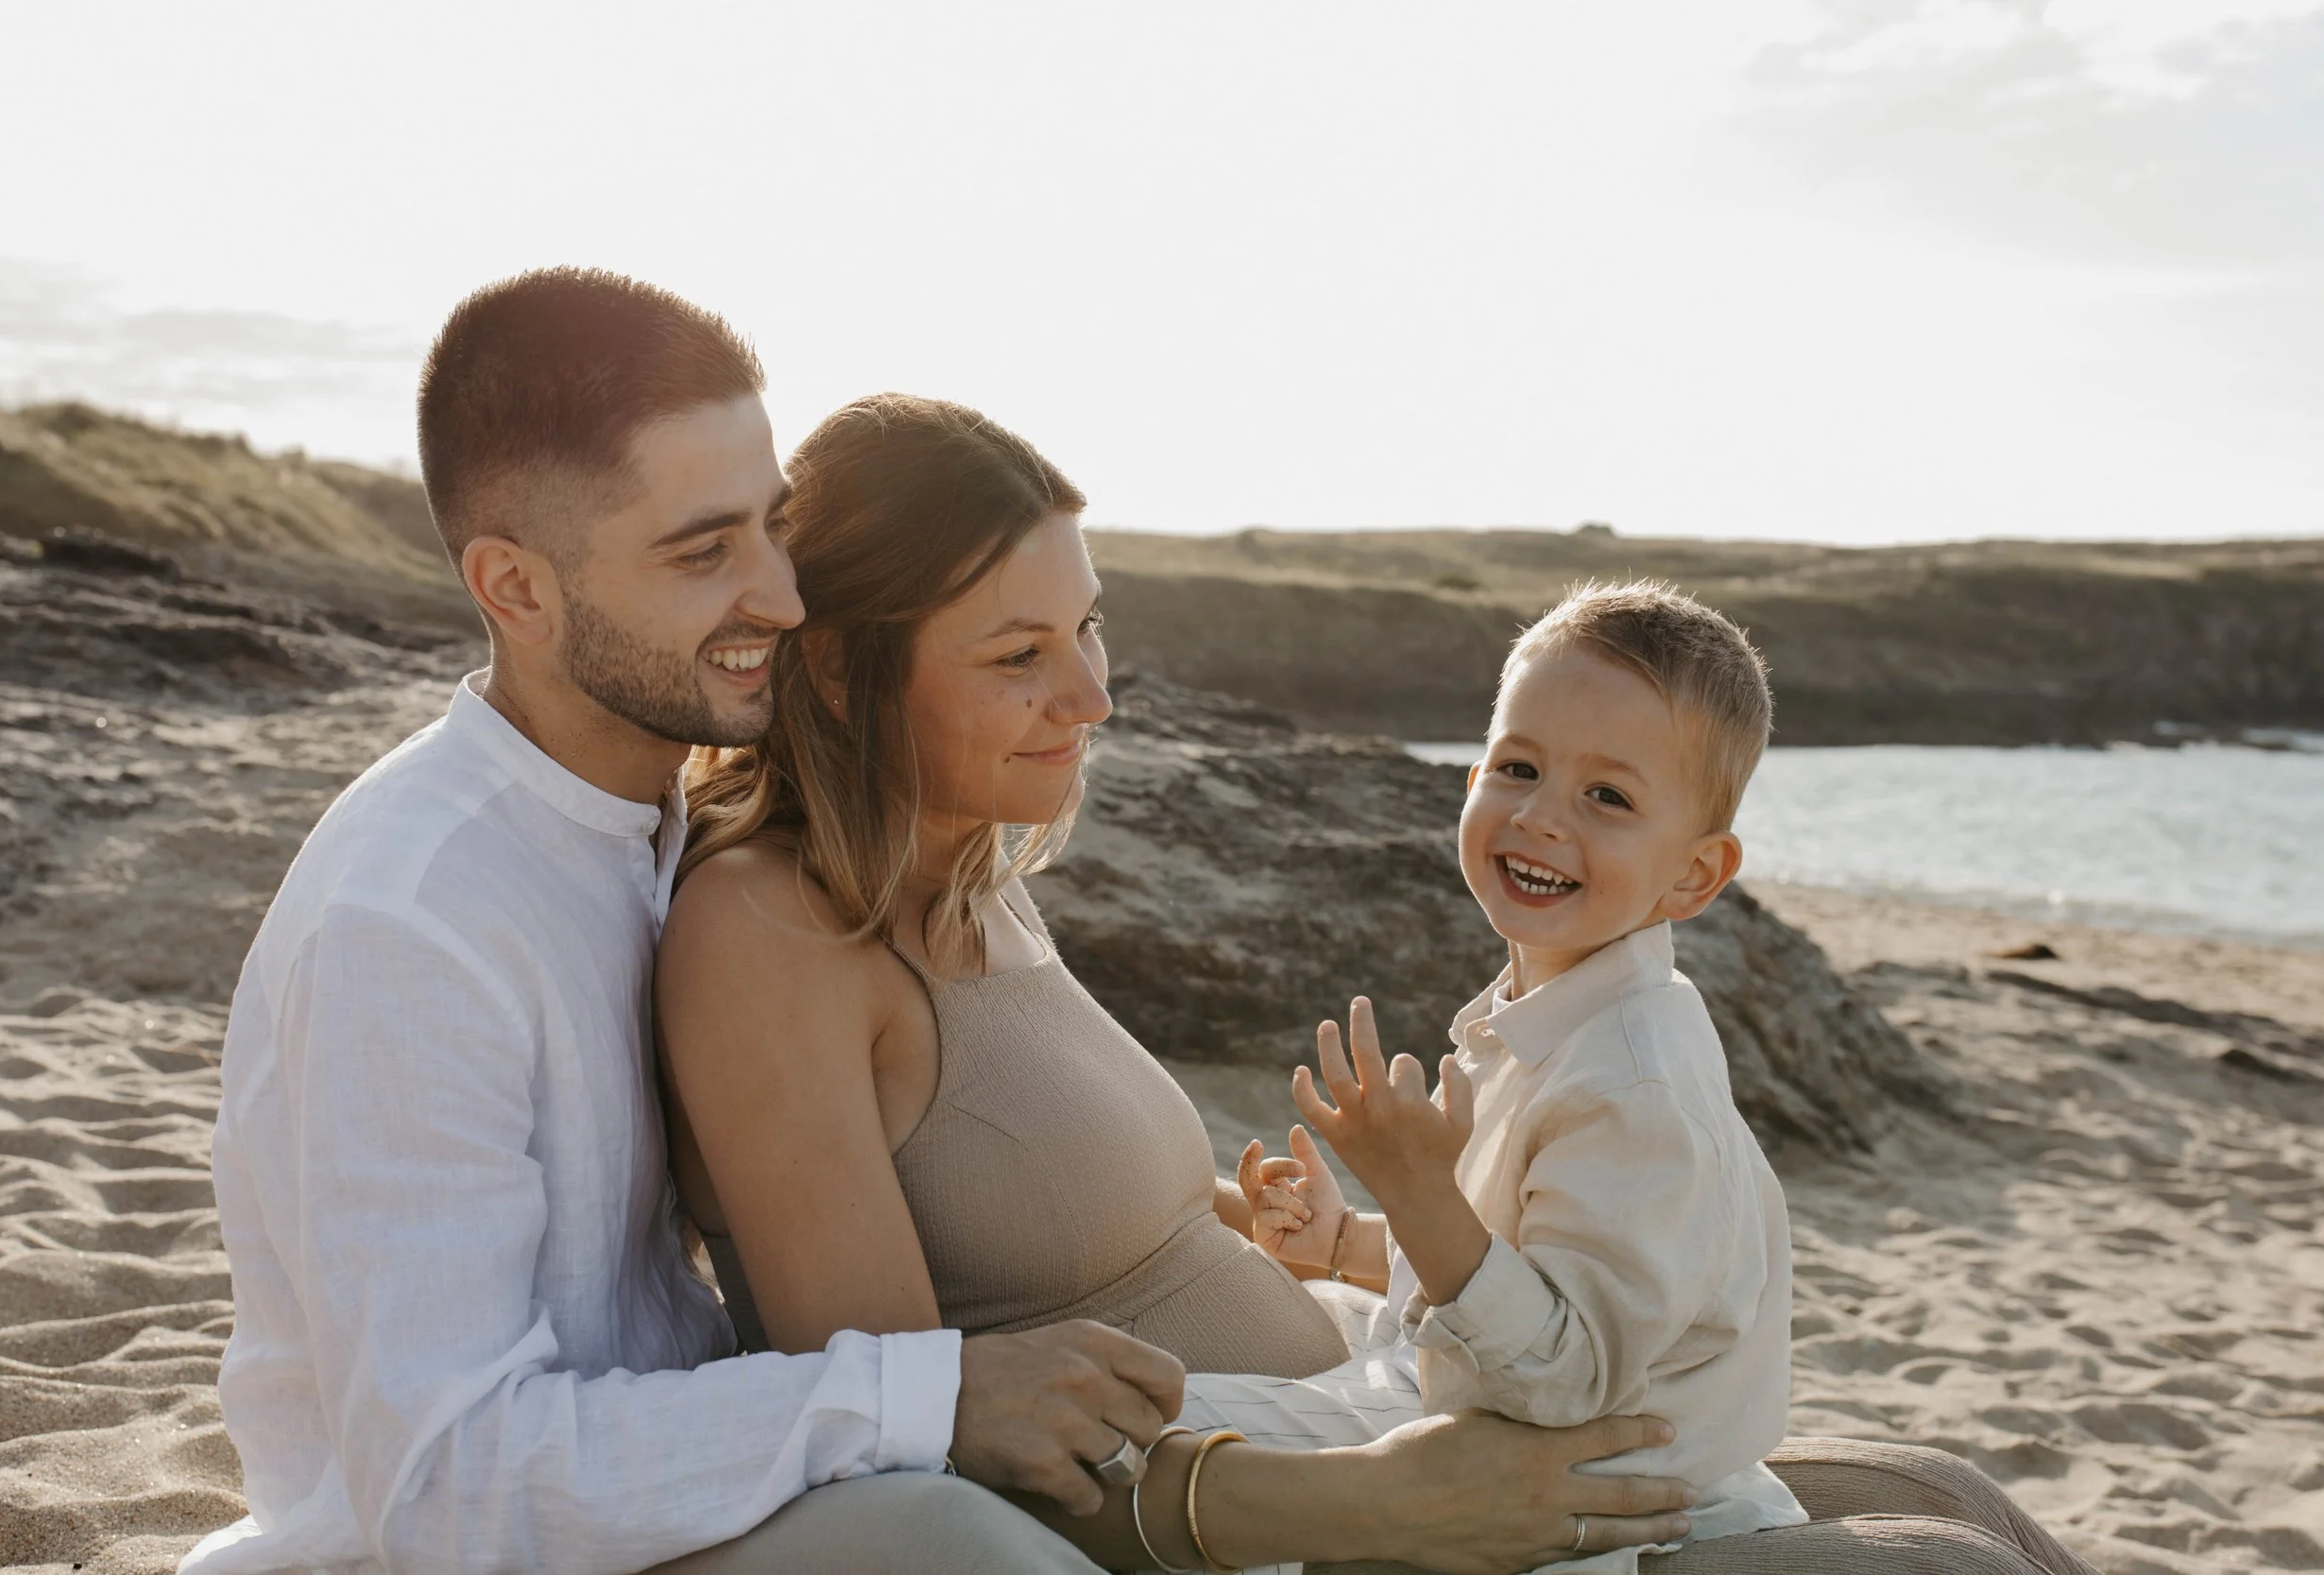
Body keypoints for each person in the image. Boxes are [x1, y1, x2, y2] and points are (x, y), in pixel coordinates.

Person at [186, 269, 1696, 1575]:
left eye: (772, 531)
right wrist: (945, 1398)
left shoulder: (654, 834)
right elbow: (450, 1484)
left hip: (748, 1474)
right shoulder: (413, 929)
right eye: (705, 551)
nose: (782, 598)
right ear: (514, 587)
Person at [657, 392, 1701, 1571]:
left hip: (1342, 1430)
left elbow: (1029, 1195)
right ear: (840, 667)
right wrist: (1380, 1501)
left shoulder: (969, 877)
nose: (1092, 696)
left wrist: (1290, 1226)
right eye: (1019, 656)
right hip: (1264, 1521)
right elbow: (901, 1435)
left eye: (1087, 627)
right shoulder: (770, 932)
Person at [1222, 583, 1806, 1572]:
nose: (1539, 817)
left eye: (1607, 797)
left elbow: (1562, 1377)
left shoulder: (1635, 1089)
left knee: (1165, 1452)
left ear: (1694, 874)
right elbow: (1510, 1258)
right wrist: (1347, 1241)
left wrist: (1415, 1188)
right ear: (1471, 779)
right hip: (1478, 1420)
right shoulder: (1547, 1013)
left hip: (1571, 1499)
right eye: (1518, 767)